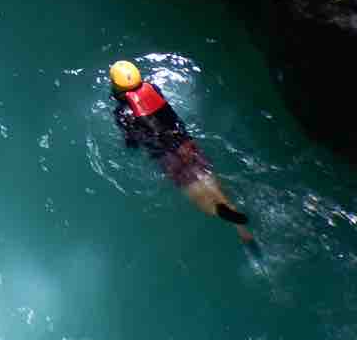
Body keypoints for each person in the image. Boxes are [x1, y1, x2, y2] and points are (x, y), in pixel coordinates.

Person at [108, 60, 254, 243]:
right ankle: (240, 227)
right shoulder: (153, 89)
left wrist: (129, 142)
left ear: (116, 88)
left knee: (193, 187)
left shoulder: (122, 113)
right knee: (204, 177)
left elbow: (133, 142)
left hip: (165, 154)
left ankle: (217, 211)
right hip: (184, 142)